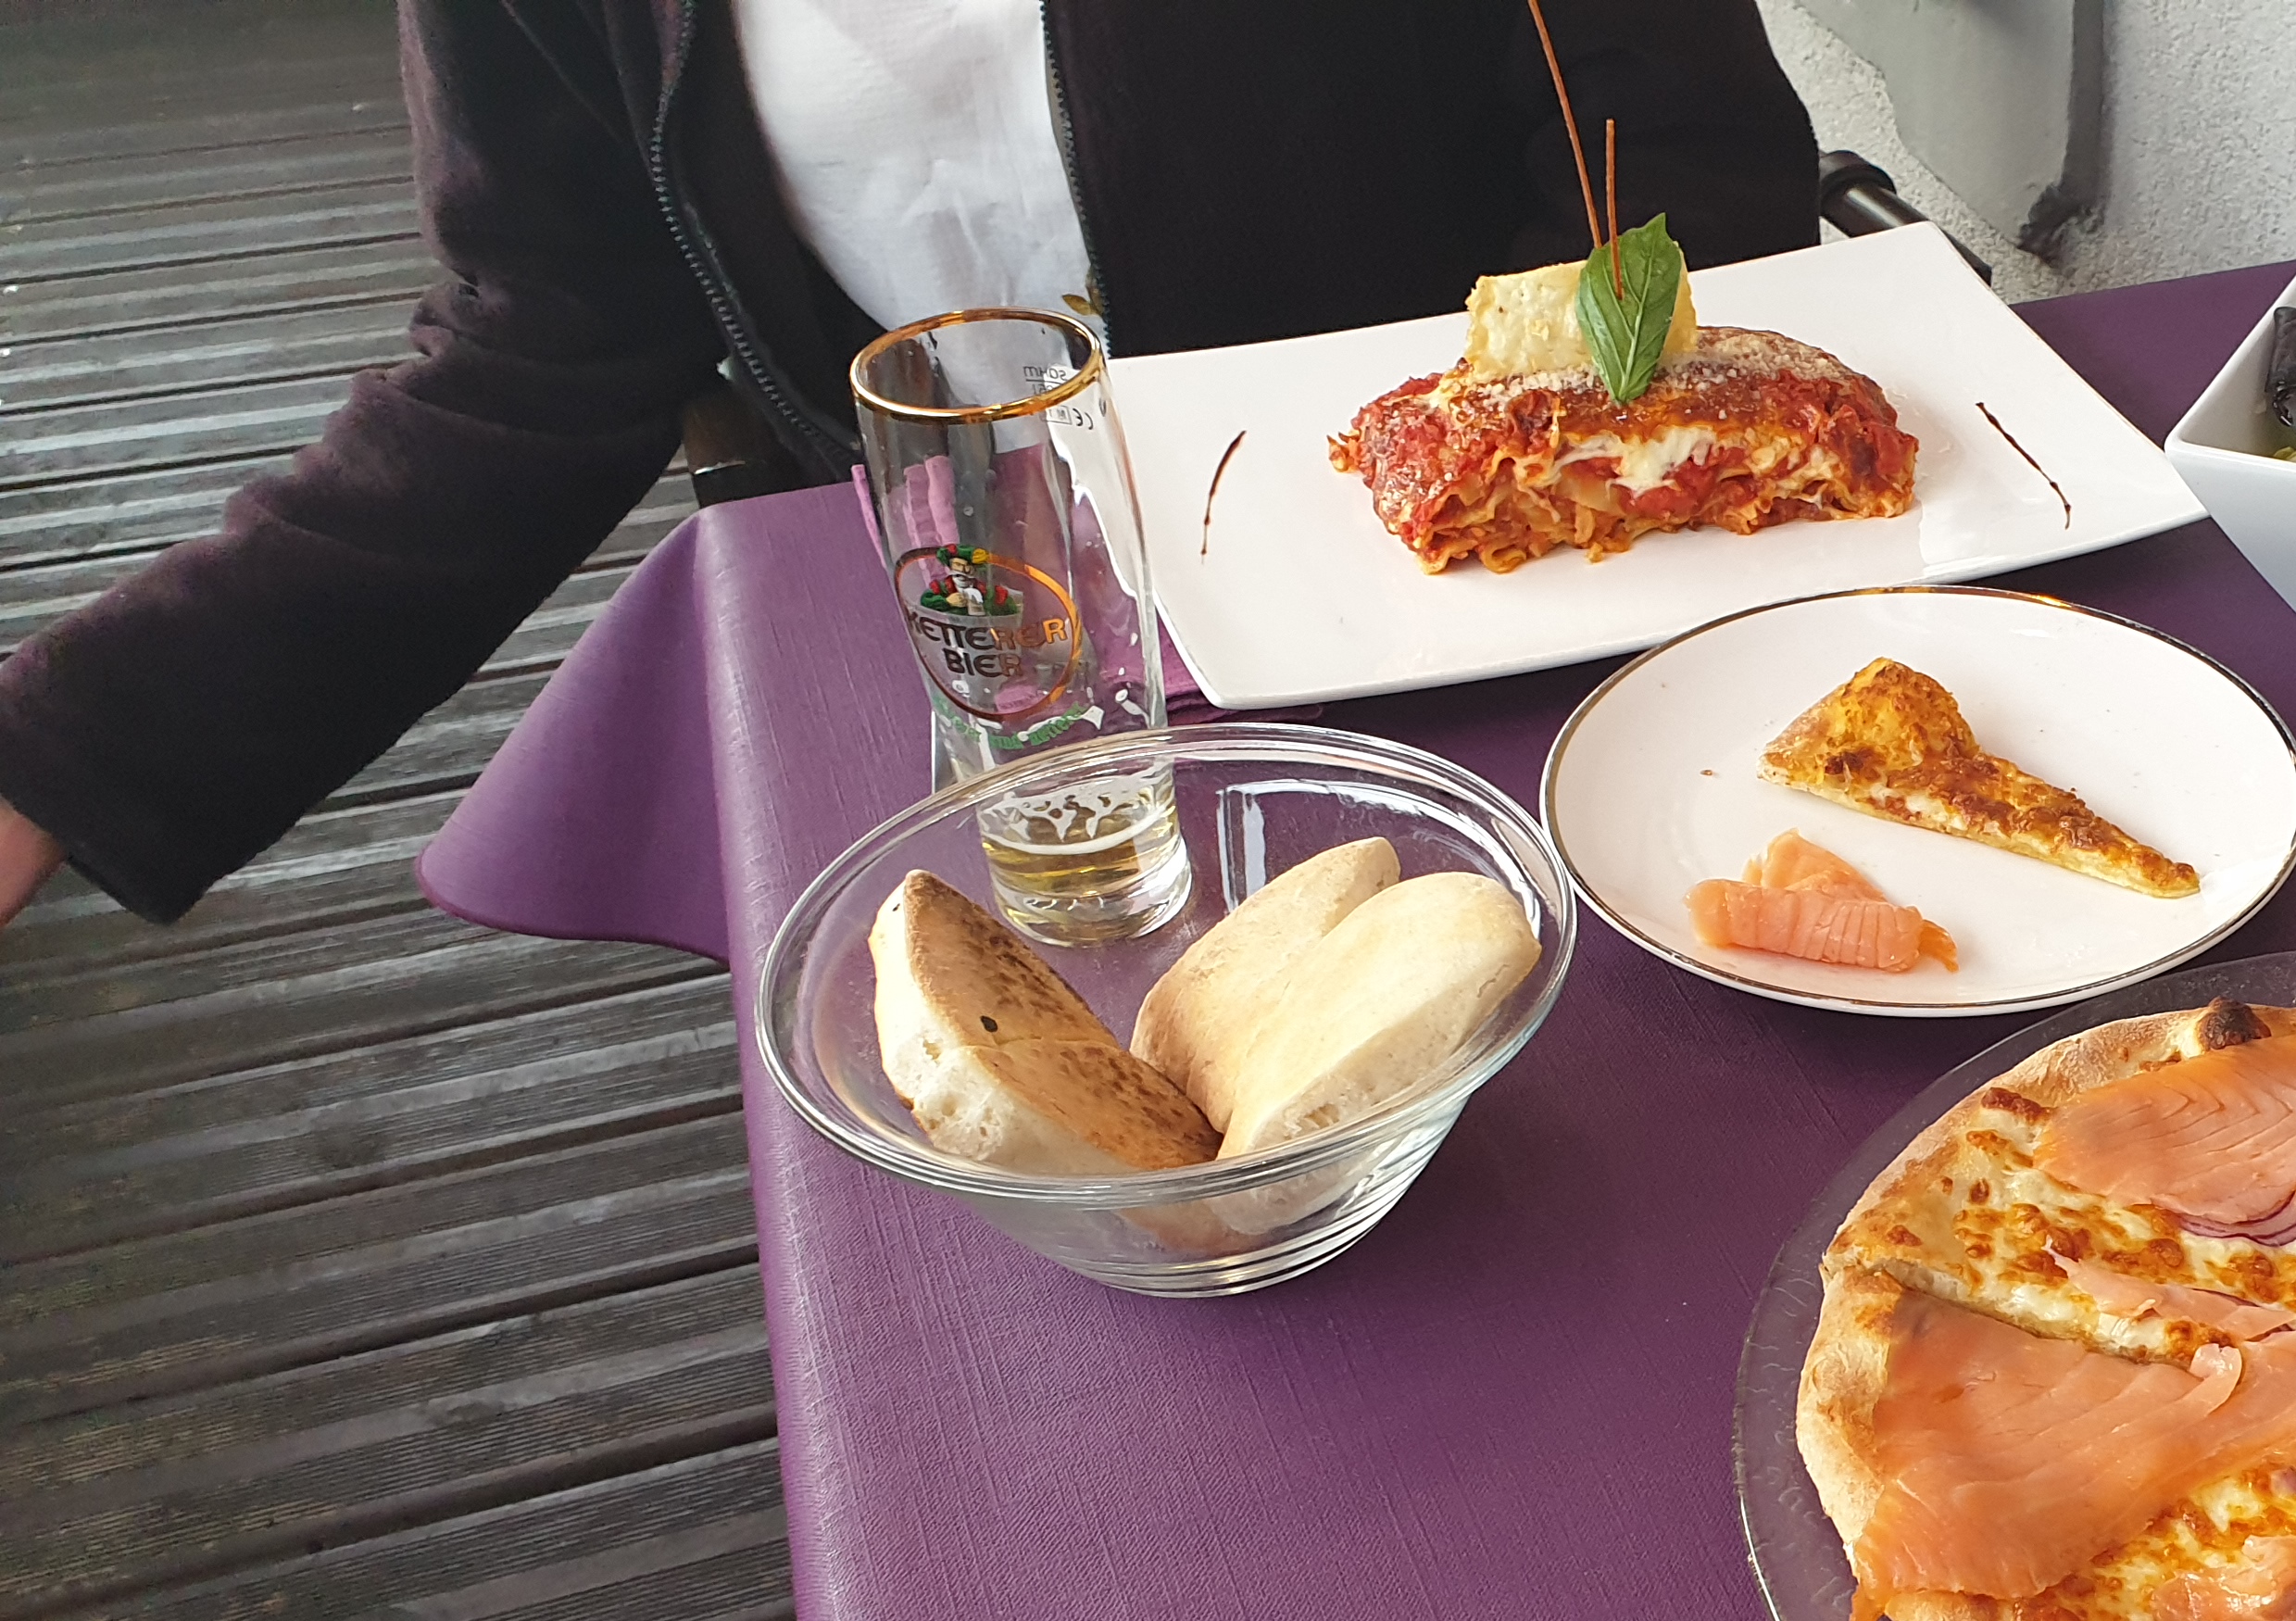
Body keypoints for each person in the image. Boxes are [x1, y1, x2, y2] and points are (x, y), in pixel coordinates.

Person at [0, 0, 1816, 930]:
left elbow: (1688, 172)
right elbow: (547, 333)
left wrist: (1524, 505)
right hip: (999, 676)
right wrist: (72, 747)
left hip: (1499, 636)